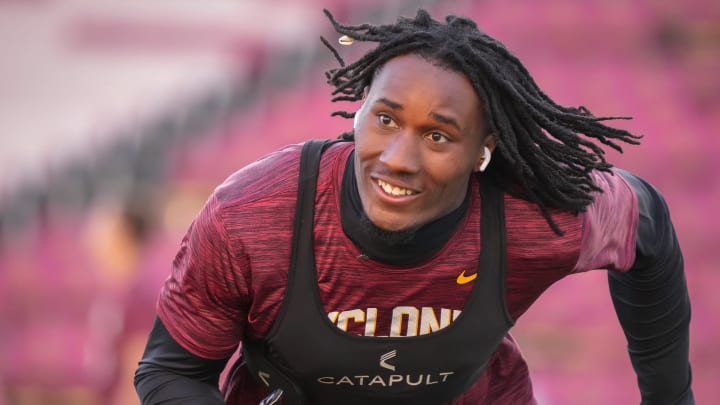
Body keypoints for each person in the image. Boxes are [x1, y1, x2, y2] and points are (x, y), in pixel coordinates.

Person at [134, 8, 694, 405]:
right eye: (385, 120)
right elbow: (170, 374)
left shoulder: (532, 218)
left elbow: (648, 224)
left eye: (439, 136)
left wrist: (670, 397)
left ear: (484, 151)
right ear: (358, 114)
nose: (399, 159)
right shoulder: (252, 217)